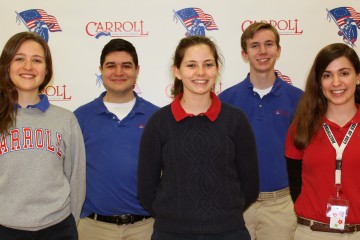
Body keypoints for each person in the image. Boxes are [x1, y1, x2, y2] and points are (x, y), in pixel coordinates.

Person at [137, 35, 259, 240]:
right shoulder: (159, 122)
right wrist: (173, 218)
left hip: (228, 232)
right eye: (191, 65)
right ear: (177, 71)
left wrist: (223, 217)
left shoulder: (235, 120)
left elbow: (250, 185)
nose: (200, 73)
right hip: (171, 233)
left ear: (217, 69)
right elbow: (146, 188)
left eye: (208, 64)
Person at [218, 22, 303, 240]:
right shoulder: (226, 101)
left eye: (269, 44)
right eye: (255, 46)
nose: (263, 51)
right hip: (238, 205)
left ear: (279, 50)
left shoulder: (299, 99)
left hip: (281, 206)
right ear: (244, 54)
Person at [0, 31, 85, 239]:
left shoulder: (66, 120)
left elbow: (76, 178)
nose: (28, 67)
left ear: (46, 70)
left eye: (36, 60)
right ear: (7, 65)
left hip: (58, 228)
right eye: (19, 58)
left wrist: (69, 224)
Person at [74, 38, 159, 240]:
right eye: (111, 66)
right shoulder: (80, 118)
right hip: (93, 229)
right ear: (101, 70)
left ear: (137, 70)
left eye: (126, 66)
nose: (119, 72)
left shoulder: (157, 117)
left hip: (146, 228)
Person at [285, 43, 360, 239]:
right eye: (327, 75)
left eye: (344, 73)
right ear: (319, 82)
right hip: (312, 233)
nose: (336, 82)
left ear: (358, 76)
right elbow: (295, 184)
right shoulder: (302, 127)